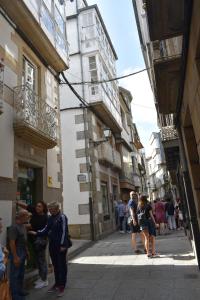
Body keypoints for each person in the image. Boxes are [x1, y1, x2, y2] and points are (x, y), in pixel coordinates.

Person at [29, 202, 70, 298]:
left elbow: (64, 231)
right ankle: (56, 283)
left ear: (56, 209)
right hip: (52, 245)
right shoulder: (51, 218)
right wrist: (37, 233)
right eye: (49, 210)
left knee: (62, 266)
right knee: (55, 265)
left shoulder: (62, 217)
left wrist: (63, 244)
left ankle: (62, 286)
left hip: (61, 246)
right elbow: (46, 229)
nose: (49, 211)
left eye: (51, 210)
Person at [16, 200, 48, 289]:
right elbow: (26, 206)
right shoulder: (35, 211)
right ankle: (41, 278)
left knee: (41, 261)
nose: (37, 208)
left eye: (40, 206)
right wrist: (17, 202)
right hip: (34, 241)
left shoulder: (45, 218)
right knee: (38, 260)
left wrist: (19, 226)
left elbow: (33, 227)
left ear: (44, 208)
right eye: (37, 206)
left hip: (40, 242)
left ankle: (44, 280)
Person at [8, 209, 30, 300]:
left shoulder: (23, 226)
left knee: (21, 273)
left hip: (23, 251)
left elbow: (24, 240)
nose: (28, 217)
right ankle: (15, 295)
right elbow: (12, 243)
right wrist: (15, 257)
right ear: (21, 216)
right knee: (15, 275)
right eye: (27, 216)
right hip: (17, 252)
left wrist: (27, 251)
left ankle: (20, 290)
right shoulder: (14, 227)